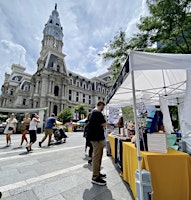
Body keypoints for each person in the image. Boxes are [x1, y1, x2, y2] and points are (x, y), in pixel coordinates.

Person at [87, 101, 107, 186]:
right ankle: (95, 177)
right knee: (97, 157)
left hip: (95, 138)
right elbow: (104, 124)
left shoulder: (93, 112)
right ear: (101, 105)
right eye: (103, 107)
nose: (103, 109)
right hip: (97, 138)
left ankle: (97, 173)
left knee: (98, 157)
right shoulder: (97, 113)